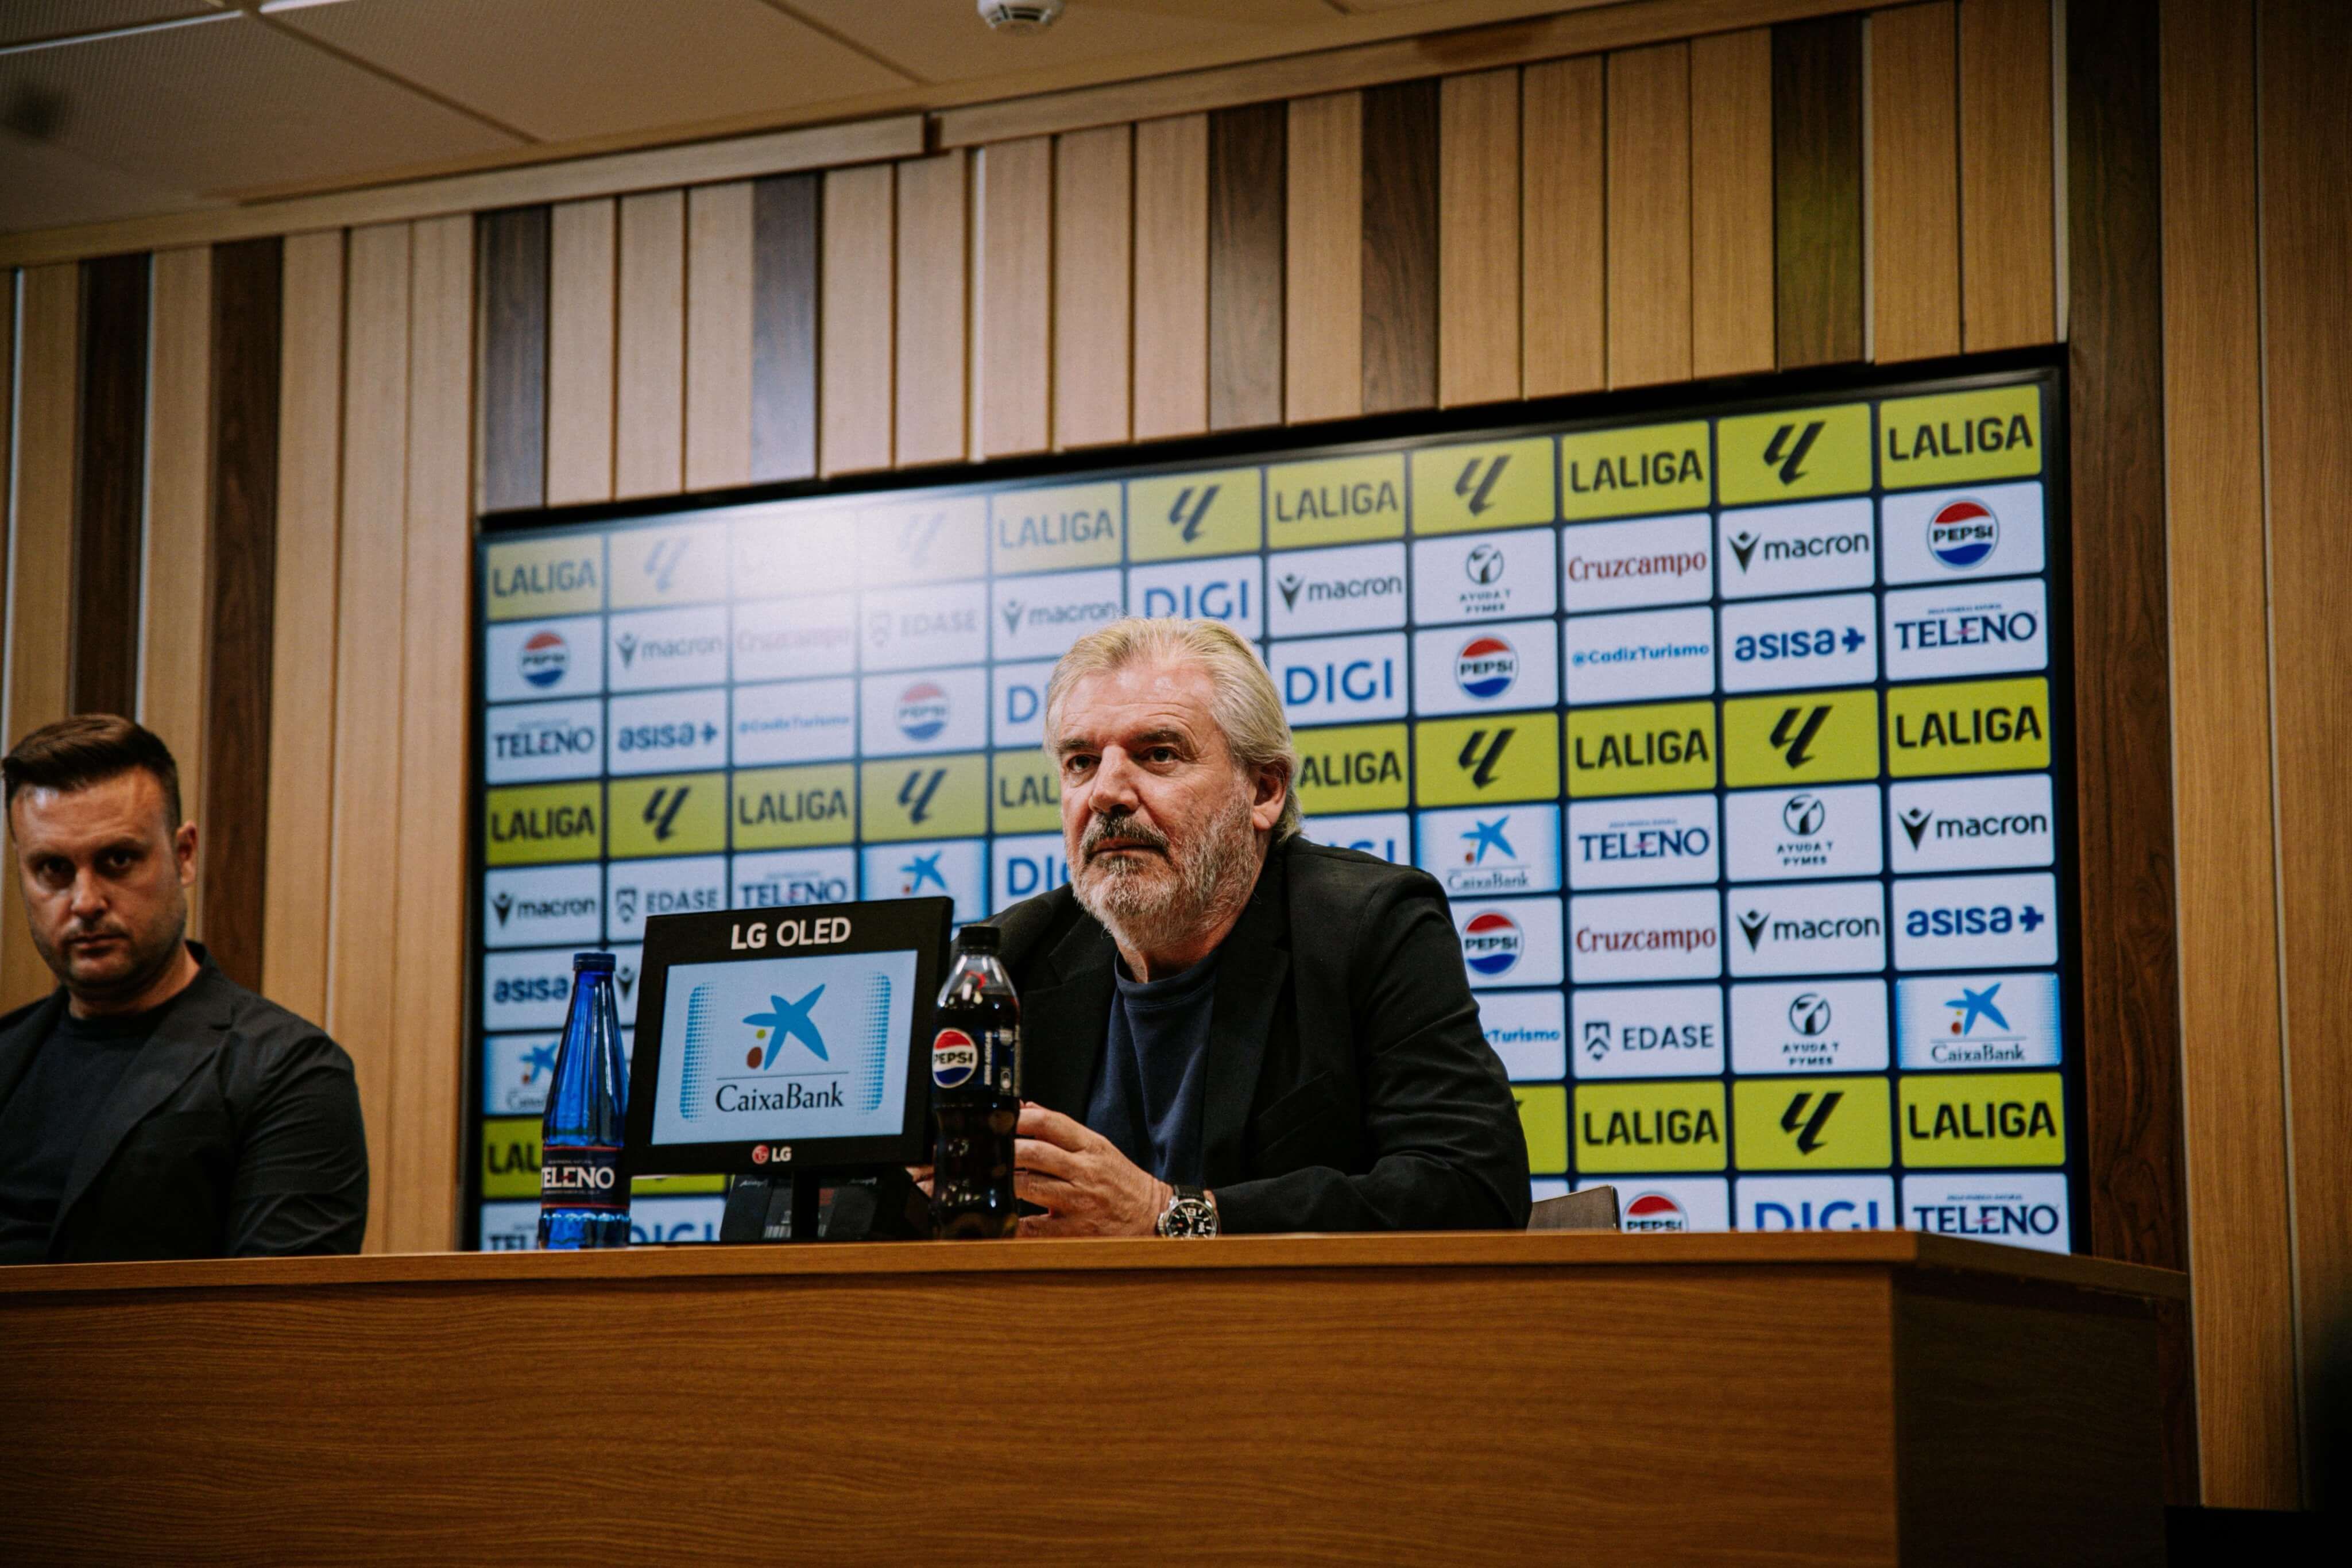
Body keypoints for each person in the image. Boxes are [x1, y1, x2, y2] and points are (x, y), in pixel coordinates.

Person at [994, 617, 1531, 1237]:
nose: (1107, 792)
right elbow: (874, 1198)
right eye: (1081, 762)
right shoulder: (1012, 956)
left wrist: (1167, 1215)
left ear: (1265, 790)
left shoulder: (1370, 926)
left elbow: (1471, 1186)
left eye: (1158, 754)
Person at [0, 715, 366, 1263]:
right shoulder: (8, 1053)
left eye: (117, 860)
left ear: (185, 854)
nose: (85, 900)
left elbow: (275, 1329)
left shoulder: (289, 1071)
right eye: (53, 868)